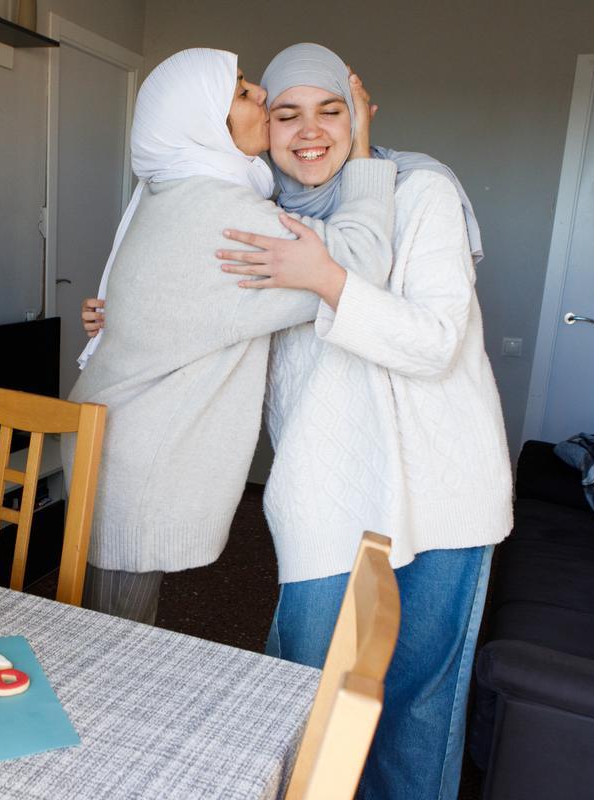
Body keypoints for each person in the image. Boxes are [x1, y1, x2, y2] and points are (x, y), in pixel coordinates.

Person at [217, 43, 512, 800]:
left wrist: (328, 280)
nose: (309, 131)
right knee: (298, 696)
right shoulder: (259, 211)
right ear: (266, 127)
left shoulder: (422, 193)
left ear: (360, 114)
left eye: (330, 110)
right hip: (327, 484)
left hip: (443, 489)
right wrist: (118, 319)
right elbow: (213, 316)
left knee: (417, 704)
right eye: (287, 113)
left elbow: (437, 342)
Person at [64, 47, 396, 625]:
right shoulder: (224, 212)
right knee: (113, 639)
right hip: (141, 461)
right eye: (243, 92)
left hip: (115, 439)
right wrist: (363, 144)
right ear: (204, 124)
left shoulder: (179, 188)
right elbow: (360, 260)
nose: (262, 96)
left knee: (109, 622)